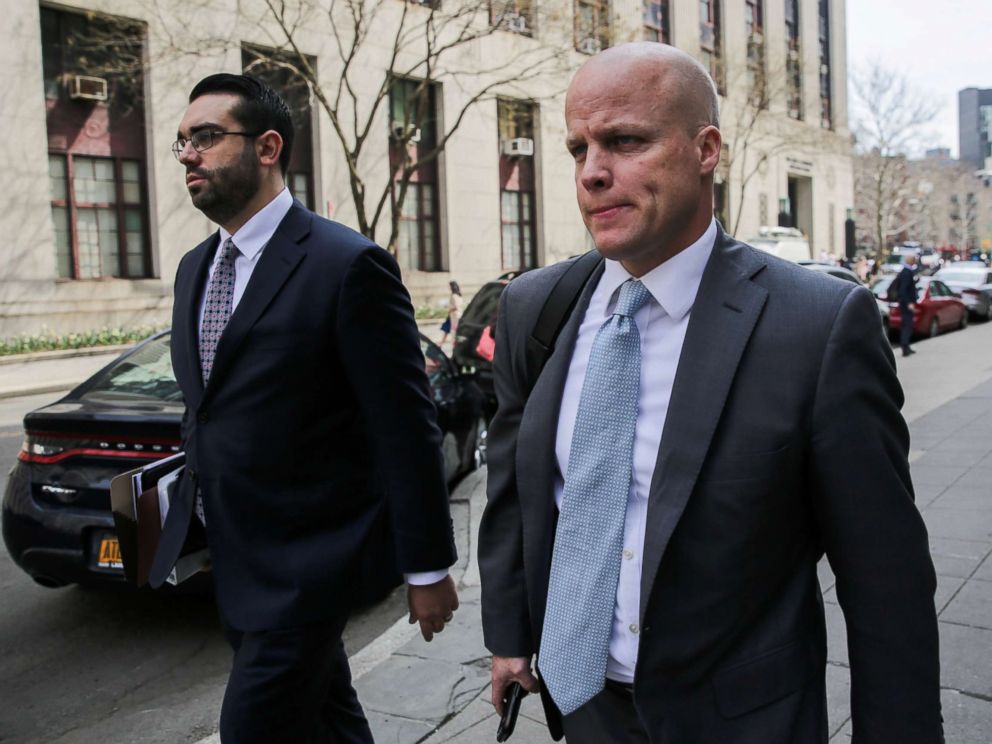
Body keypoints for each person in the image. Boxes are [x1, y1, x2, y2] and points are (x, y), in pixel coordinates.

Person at [478, 43, 941, 743]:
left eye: (625, 141)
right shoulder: (534, 309)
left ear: (706, 150)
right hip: (584, 707)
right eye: (578, 150)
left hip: (744, 719)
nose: (594, 173)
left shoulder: (817, 327)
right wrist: (511, 634)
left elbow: (887, 584)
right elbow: (515, 488)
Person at [152, 74, 459, 743]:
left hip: (314, 566)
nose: (186, 155)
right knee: (329, 721)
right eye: (181, 141)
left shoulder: (347, 265)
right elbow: (207, 408)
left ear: (267, 147)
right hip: (236, 559)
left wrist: (428, 566)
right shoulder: (193, 270)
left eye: (205, 137)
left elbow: (405, 427)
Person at [896, 253, 919, 357]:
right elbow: (903, 290)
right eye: (913, 259)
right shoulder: (906, 272)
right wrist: (909, 303)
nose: (915, 260)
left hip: (906, 303)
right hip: (906, 304)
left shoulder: (908, 271)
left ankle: (907, 347)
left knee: (908, 325)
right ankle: (905, 347)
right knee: (907, 325)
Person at [439, 280, 462, 347]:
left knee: (454, 331)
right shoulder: (458, 295)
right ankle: (441, 343)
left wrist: (449, 310)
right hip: (454, 316)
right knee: (447, 329)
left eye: (449, 286)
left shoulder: (454, 295)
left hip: (455, 316)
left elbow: (456, 306)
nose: (448, 287)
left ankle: (454, 345)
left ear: (452, 287)